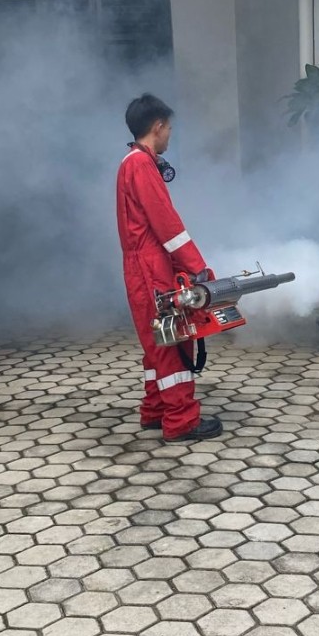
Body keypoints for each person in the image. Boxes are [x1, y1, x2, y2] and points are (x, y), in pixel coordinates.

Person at [115, 94, 224, 443]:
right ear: (158, 126)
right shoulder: (141, 165)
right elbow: (166, 224)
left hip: (142, 266)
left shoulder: (132, 162)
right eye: (169, 128)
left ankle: (155, 410)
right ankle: (181, 420)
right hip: (151, 268)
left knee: (156, 342)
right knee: (172, 341)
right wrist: (198, 267)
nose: (170, 135)